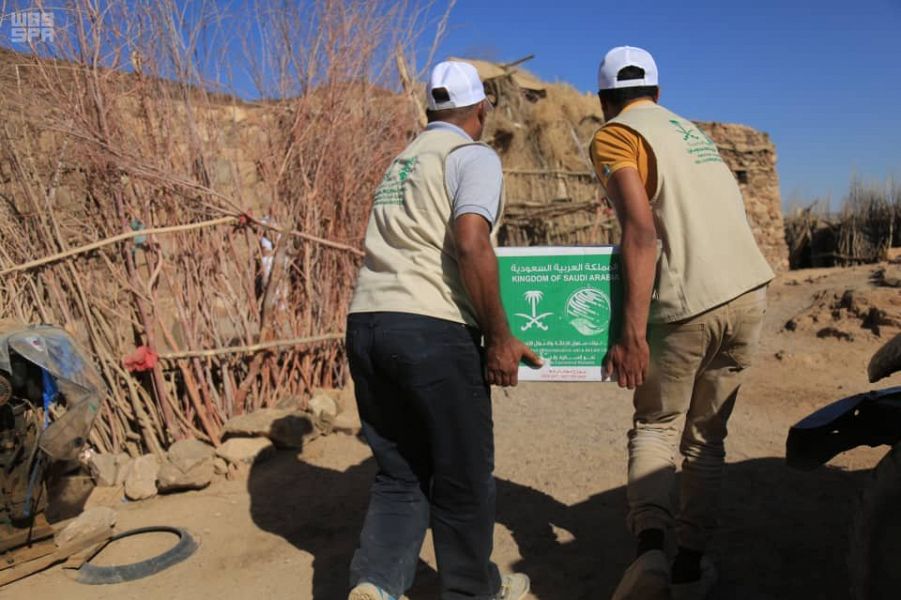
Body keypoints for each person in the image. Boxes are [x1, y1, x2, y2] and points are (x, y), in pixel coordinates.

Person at [345, 60, 540, 600]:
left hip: (367, 325)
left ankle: (375, 584)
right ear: (482, 109)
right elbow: (472, 241)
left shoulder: (401, 162)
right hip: (431, 328)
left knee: (398, 475)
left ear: (430, 111)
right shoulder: (470, 156)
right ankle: (474, 592)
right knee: (462, 477)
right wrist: (500, 336)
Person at [589, 46, 774, 599]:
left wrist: (631, 332)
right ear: (658, 93)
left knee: (656, 427)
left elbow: (640, 231)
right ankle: (691, 566)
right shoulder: (692, 134)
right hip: (748, 293)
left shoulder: (617, 134)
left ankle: (650, 559)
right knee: (707, 440)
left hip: (687, 301)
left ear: (604, 101)